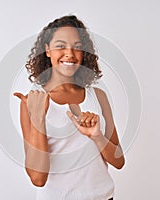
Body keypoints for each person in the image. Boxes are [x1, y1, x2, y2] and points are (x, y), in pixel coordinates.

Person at [14, 15, 125, 200]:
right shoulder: (33, 101)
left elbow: (119, 161)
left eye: (77, 47)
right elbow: (37, 178)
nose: (70, 54)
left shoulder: (98, 96)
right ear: (47, 50)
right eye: (60, 46)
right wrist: (39, 119)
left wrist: (97, 136)